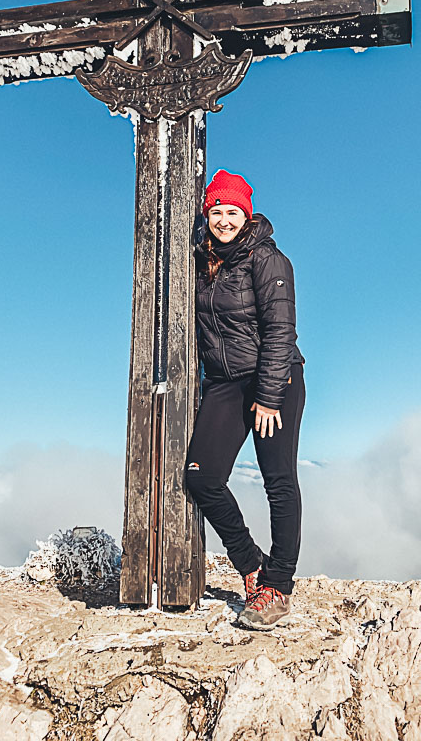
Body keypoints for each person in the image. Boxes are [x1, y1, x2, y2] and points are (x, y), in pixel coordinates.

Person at [186, 169, 306, 630]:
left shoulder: (268, 260)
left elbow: (280, 331)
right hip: (223, 381)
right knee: (201, 476)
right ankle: (250, 563)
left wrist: (270, 397)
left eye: (233, 211)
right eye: (217, 210)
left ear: (246, 215)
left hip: (273, 379)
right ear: (208, 213)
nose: (224, 219)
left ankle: (277, 585)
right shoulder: (203, 262)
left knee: (278, 480)